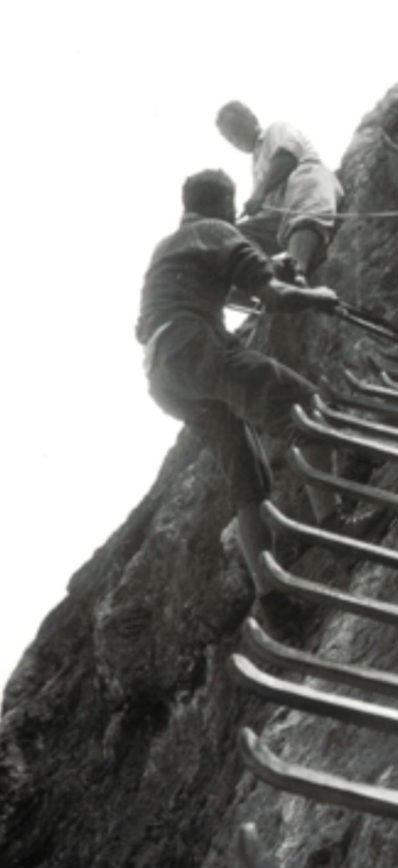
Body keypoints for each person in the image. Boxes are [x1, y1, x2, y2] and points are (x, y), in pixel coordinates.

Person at [136, 169, 345, 595]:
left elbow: (218, 291)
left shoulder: (167, 248)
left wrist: (268, 269)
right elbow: (272, 297)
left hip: (162, 374)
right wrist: (317, 297)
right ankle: (334, 524)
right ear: (226, 205)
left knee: (247, 477)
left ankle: (270, 596)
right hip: (194, 347)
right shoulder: (217, 230)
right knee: (306, 408)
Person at [216, 101, 343, 284]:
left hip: (308, 188)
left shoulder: (275, 130)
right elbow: (263, 204)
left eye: (235, 130)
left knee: (303, 184)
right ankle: (269, 276)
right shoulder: (255, 164)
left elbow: (287, 157)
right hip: (281, 213)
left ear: (251, 118)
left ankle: (298, 270)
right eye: (230, 139)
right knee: (234, 234)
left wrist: (258, 194)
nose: (235, 140)